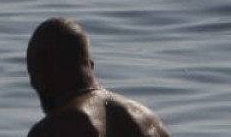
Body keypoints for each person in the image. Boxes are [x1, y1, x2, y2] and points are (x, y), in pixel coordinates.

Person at [24, 17, 170, 137]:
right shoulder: (151, 122)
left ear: (40, 72)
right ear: (90, 65)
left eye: (31, 72)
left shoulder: (56, 128)